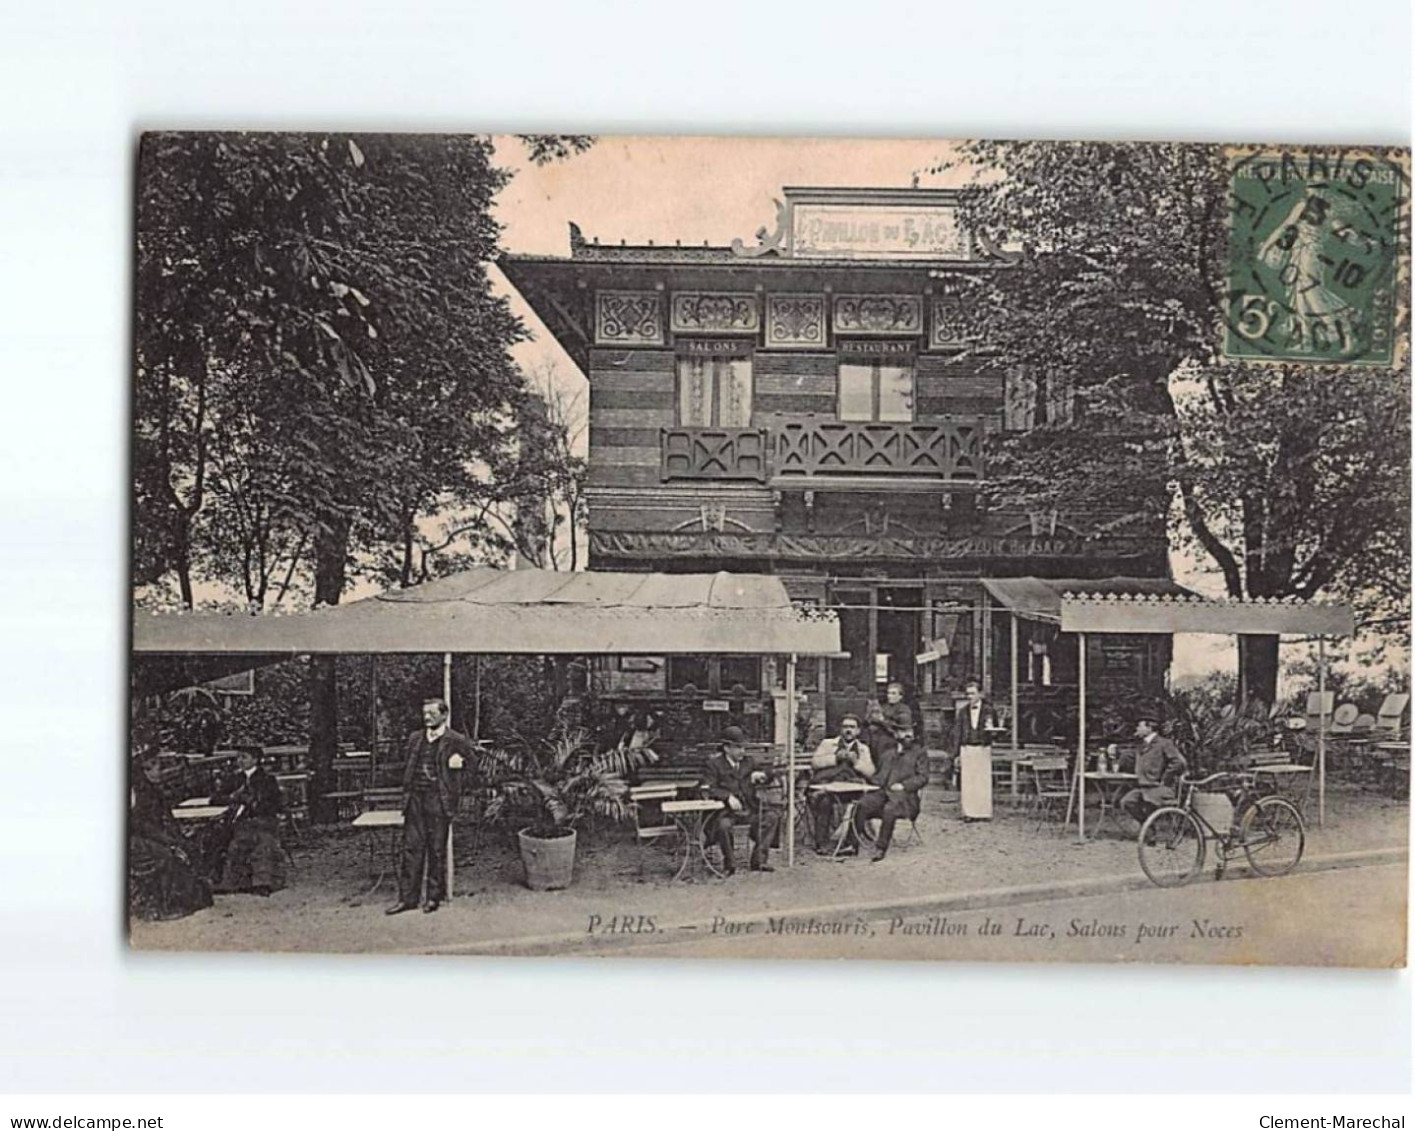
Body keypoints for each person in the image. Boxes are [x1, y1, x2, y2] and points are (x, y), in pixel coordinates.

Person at [387, 698, 475, 915]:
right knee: (411, 849)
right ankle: (407, 899)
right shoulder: (415, 738)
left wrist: (458, 768)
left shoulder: (456, 740)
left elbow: (473, 767)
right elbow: (405, 765)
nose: (427, 717)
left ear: (444, 716)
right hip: (415, 799)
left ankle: (433, 898)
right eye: (425, 713)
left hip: (439, 800)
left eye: (432, 714)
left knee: (436, 850)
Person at [128, 754, 214, 920]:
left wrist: (179, 837)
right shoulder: (138, 793)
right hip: (139, 839)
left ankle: (188, 895)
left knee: (188, 848)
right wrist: (170, 842)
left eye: (161, 768)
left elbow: (166, 818)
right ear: (144, 772)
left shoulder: (155, 791)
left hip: (153, 836)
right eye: (155, 769)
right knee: (166, 856)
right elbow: (140, 825)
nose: (159, 773)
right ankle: (164, 906)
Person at [702, 725, 782, 874]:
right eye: (738, 747)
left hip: (749, 809)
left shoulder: (748, 762)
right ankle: (730, 864)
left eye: (744, 747)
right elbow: (707, 788)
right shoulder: (714, 764)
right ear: (726, 748)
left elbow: (770, 772)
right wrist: (727, 797)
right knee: (723, 826)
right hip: (725, 812)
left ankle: (759, 861)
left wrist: (761, 775)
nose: (742, 751)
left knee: (772, 816)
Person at [210, 749, 286, 895]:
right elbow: (215, 799)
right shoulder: (234, 779)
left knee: (261, 841)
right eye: (238, 757)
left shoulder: (267, 779)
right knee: (229, 839)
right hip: (239, 822)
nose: (240, 761)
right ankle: (232, 881)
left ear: (255, 759)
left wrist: (254, 804)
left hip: (263, 819)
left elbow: (275, 804)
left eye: (244, 757)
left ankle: (263, 882)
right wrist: (233, 797)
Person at [856, 719, 930, 861]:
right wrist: (865, 780)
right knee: (862, 804)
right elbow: (878, 778)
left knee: (890, 809)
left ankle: (880, 848)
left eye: (910, 731)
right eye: (903, 731)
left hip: (907, 799)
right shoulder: (887, 754)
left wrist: (904, 785)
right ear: (895, 734)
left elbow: (923, 777)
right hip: (884, 794)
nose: (907, 735)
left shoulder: (919, 753)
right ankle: (851, 844)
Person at [809, 714, 875, 853]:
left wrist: (856, 762)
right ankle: (822, 843)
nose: (848, 730)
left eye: (852, 727)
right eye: (845, 727)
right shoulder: (828, 744)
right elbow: (815, 763)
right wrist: (834, 758)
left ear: (858, 731)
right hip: (830, 786)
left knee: (862, 804)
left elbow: (871, 772)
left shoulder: (863, 749)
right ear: (840, 729)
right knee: (824, 802)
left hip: (851, 788)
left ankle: (851, 844)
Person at [1120, 714, 1188, 831]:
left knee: (1148, 801)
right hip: (1144, 786)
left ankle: (1149, 832)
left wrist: (1165, 779)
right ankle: (1149, 826)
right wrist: (1115, 750)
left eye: (1139, 726)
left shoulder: (1164, 743)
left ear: (1149, 728)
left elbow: (1178, 762)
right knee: (1127, 801)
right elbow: (1130, 756)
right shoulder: (1141, 745)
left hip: (1162, 788)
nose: (1136, 729)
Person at [951, 678, 1000, 821]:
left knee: (982, 780)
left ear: (980, 694)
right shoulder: (962, 712)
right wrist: (956, 753)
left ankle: (984, 812)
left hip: (983, 748)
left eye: (973, 694)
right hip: (967, 748)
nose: (970, 697)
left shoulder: (989, 710)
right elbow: (957, 733)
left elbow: (994, 729)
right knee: (968, 781)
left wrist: (993, 734)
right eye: (968, 694)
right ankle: (969, 812)